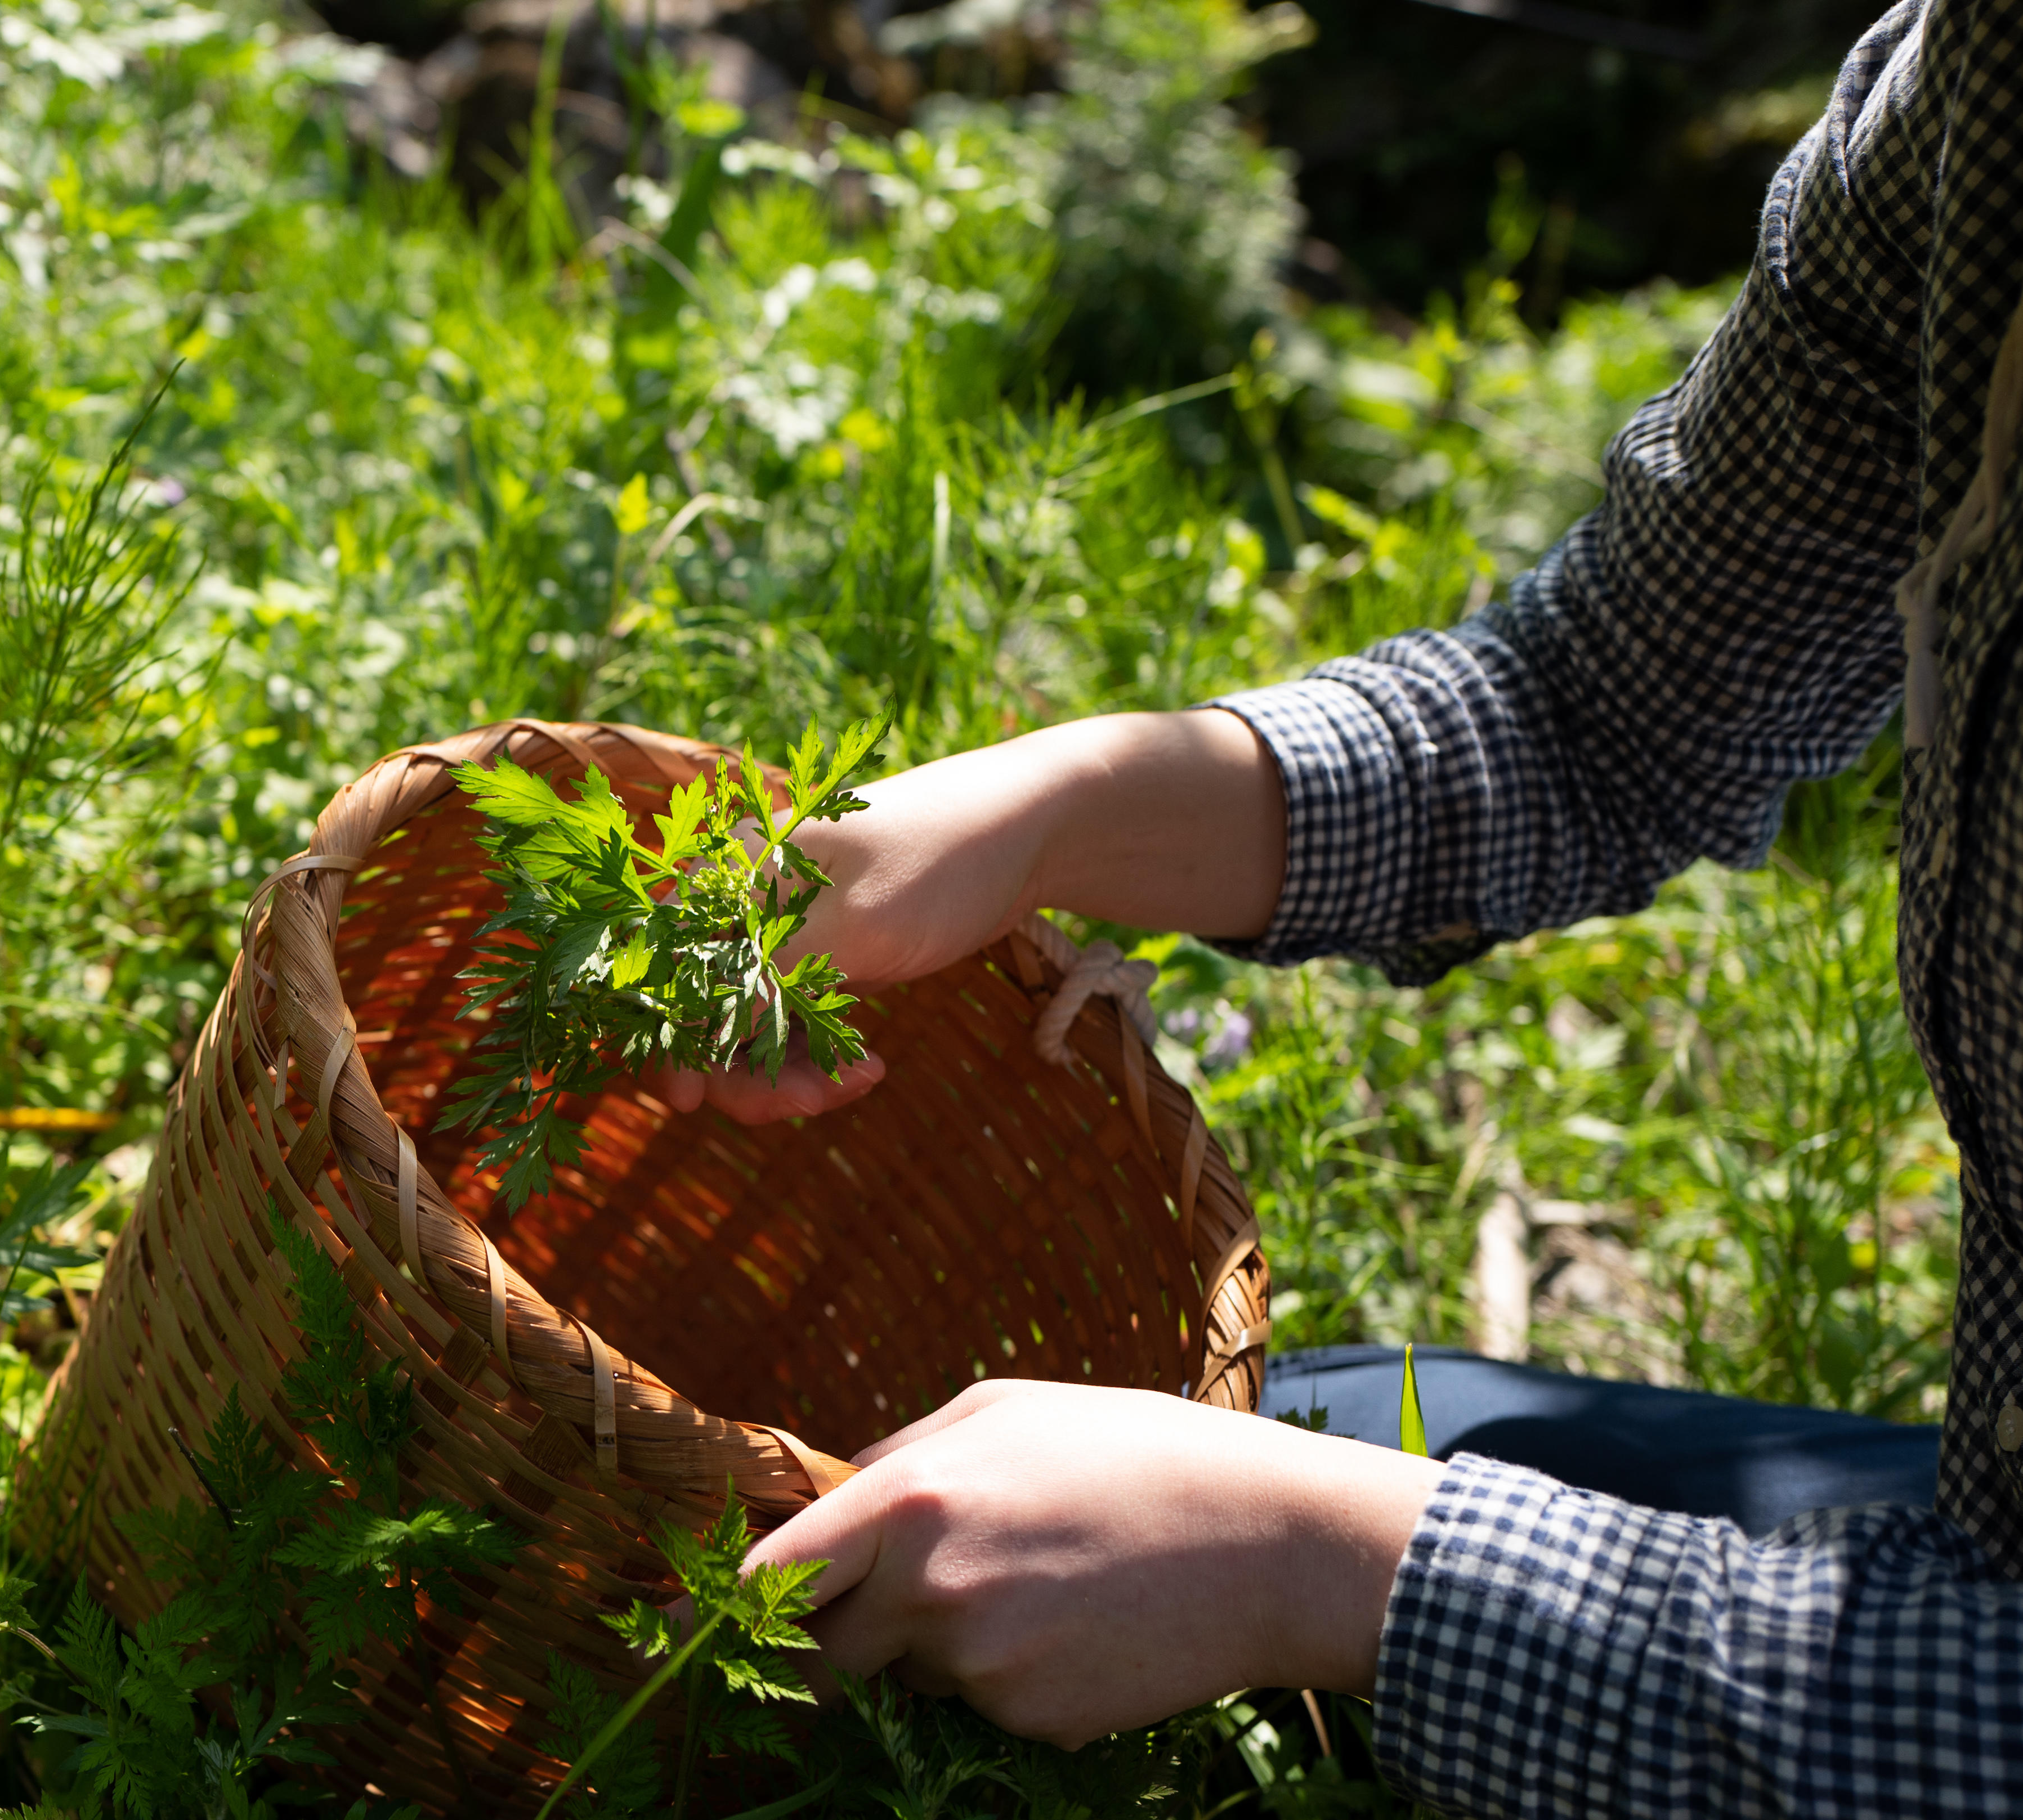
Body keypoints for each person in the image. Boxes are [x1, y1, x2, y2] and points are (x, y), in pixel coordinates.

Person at [654, 0, 2023, 1809]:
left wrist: (1326, 1572)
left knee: (1253, 1496)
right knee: (1275, 1425)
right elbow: (1599, 710)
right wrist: (1042, 810)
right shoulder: (1972, 106)